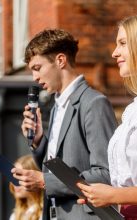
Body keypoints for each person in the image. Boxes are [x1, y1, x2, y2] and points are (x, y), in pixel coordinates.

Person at [11, 28, 117, 220]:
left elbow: (106, 174)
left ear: (60, 60)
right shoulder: (57, 108)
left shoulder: (93, 103)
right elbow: (59, 167)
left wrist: (45, 181)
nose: (34, 77)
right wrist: (38, 142)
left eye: (37, 68)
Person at [77, 13, 137, 219]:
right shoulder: (135, 108)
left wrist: (113, 195)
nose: (114, 53)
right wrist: (100, 194)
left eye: (122, 43)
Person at [9, 154, 43, 220]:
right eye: (14, 177)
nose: (15, 183)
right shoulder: (15, 215)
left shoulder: (47, 212)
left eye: (21, 177)